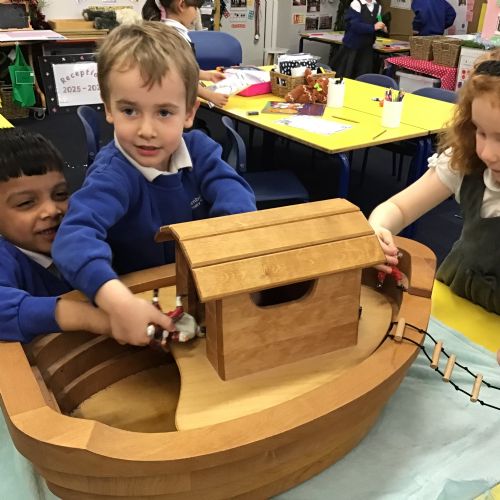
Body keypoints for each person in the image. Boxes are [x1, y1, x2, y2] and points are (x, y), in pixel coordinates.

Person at [52, 22, 256, 347]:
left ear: (189, 113)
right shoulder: (112, 174)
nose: (146, 130)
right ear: (108, 108)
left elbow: (234, 192)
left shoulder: (200, 150)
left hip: (193, 290)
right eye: (129, 110)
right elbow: (73, 239)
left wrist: (227, 243)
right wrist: (117, 300)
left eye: (163, 113)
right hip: (134, 304)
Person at [369, 49, 500, 315]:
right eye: (481, 132)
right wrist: (378, 229)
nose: (487, 153)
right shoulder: (467, 161)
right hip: (454, 299)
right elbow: (399, 208)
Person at [0, 128, 110, 343]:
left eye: (60, 195)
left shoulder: (75, 237)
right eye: (26, 203)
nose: (52, 210)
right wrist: (84, 317)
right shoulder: (5, 258)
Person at [142, 0, 228, 108]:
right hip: (169, 104)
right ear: (182, 5)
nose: (196, 13)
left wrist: (208, 75)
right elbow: (180, 77)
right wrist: (210, 95)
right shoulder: (171, 37)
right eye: (195, 8)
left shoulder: (171, 32)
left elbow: (184, 68)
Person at [332, 0, 387, 79]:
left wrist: (382, 27)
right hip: (352, 48)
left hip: (367, 48)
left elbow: (379, 20)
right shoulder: (356, 3)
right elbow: (354, 25)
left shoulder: (378, 6)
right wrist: (373, 27)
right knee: (347, 76)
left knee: (363, 76)